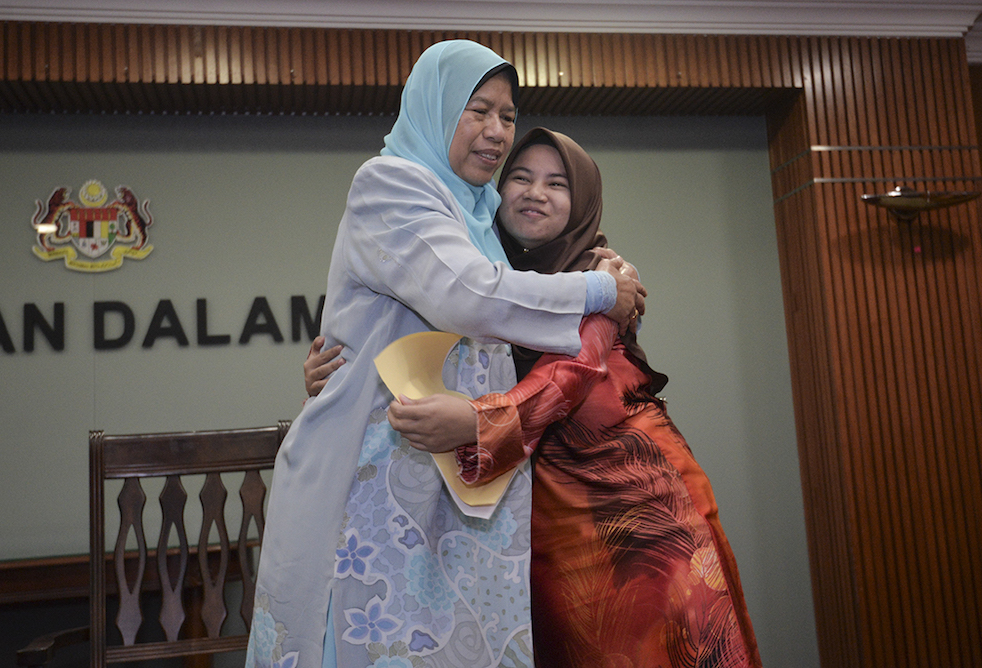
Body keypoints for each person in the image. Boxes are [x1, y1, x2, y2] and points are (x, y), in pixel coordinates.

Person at [246, 42, 646, 668]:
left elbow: (529, 291)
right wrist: (600, 290)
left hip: (462, 484)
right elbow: (466, 295)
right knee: (372, 640)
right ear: (434, 108)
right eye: (477, 110)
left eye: (507, 116)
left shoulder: (482, 216)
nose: (495, 131)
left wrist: (603, 271)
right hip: (375, 479)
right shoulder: (391, 184)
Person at [317, 128, 764, 667]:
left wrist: (479, 423)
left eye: (557, 183)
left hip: (637, 508)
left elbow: (570, 374)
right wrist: (338, 376)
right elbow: (413, 341)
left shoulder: (599, 279)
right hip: (540, 517)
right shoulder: (483, 279)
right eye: (521, 178)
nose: (535, 193)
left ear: (582, 202)